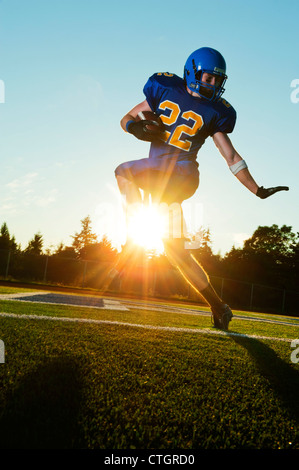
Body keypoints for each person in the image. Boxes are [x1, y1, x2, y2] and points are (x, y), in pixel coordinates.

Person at [114, 47, 289, 331]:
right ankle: (219, 307)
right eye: (208, 78)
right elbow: (126, 119)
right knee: (176, 252)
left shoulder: (215, 111)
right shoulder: (163, 88)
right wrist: (136, 128)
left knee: (124, 172)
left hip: (180, 176)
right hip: (158, 178)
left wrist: (256, 189)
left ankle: (132, 238)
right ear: (192, 71)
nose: (213, 85)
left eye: (217, 81)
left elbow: (231, 157)